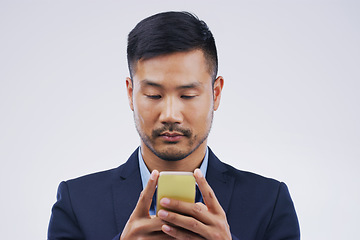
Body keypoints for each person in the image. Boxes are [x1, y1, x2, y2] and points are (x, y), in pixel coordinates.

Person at [48, 11, 300, 240]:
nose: (170, 115)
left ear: (217, 93)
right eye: (154, 95)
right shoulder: (77, 202)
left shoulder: (270, 203)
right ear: (130, 93)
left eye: (187, 95)